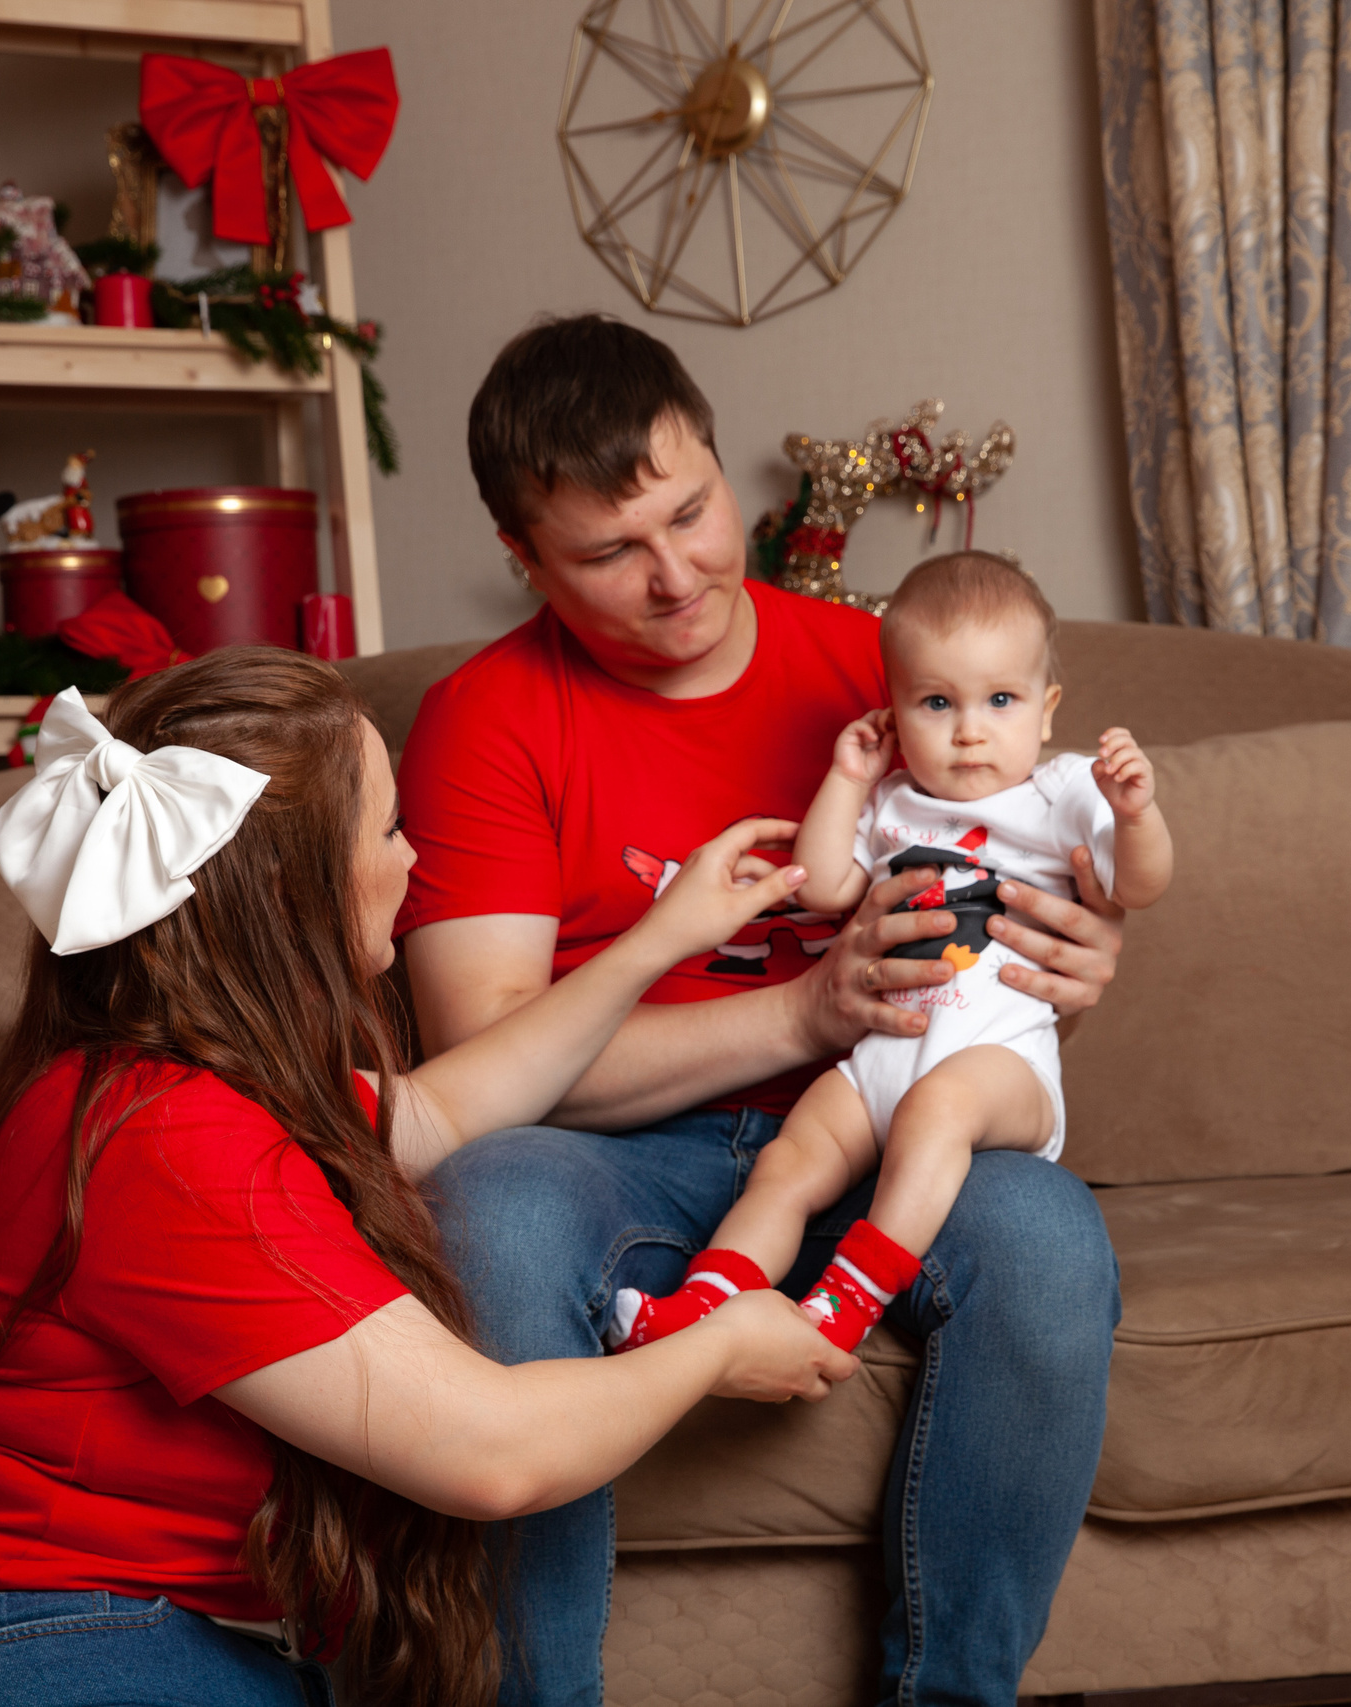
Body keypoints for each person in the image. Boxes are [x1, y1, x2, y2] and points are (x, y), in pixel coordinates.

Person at [0, 653, 855, 1707]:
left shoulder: (188, 1087)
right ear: (287, 887)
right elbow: (491, 1453)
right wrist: (718, 1343)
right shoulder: (165, 1139)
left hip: (133, 1640)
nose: (414, 858)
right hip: (49, 1646)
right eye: (386, 829)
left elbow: (452, 1106)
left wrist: (663, 939)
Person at [400, 315, 1127, 1706]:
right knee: (488, 1201)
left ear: (723, 467)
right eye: (613, 552)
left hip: (890, 1112)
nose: (676, 574)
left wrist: (1070, 969)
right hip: (618, 1148)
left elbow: (1020, 905)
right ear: (525, 561)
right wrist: (805, 1011)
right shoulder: (481, 721)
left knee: (1043, 1232)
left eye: (691, 511)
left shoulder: (882, 660)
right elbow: (484, 1069)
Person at [611, 553, 1171, 1354]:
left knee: (936, 1109)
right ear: (895, 713)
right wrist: (846, 779)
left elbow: (1138, 885)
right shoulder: (893, 799)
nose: (970, 729)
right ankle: (707, 1300)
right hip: (882, 1056)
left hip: (997, 1063)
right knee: (789, 1161)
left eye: (1001, 700)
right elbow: (826, 885)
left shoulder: (1064, 790)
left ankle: (851, 1293)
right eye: (937, 702)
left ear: (1047, 711)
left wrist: (1137, 814)